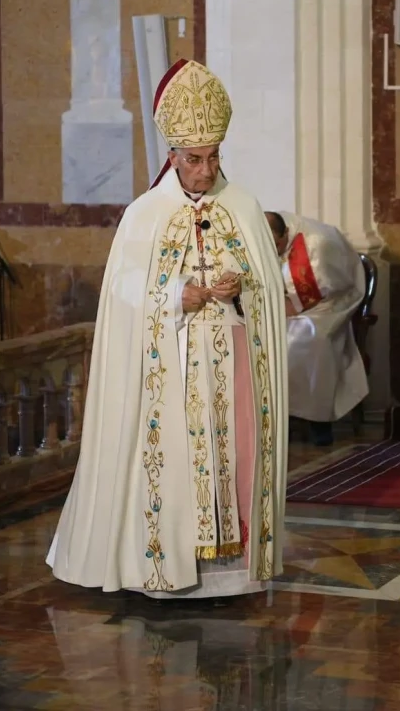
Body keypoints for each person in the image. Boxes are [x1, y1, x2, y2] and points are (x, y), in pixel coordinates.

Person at [47, 59, 288, 599]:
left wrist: (241, 287)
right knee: (173, 468)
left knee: (234, 461)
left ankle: (232, 572)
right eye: (194, 159)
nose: (205, 170)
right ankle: (167, 570)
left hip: (232, 361)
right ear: (173, 157)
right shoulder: (143, 216)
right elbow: (123, 296)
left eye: (213, 157)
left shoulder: (243, 208)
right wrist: (174, 296)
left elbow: (268, 290)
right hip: (171, 368)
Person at [265, 211, 368, 446]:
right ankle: (274, 420)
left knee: (310, 339)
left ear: (286, 234)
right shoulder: (267, 231)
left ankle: (319, 422)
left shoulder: (318, 243)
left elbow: (326, 286)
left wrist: (287, 306)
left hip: (330, 304)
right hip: (289, 303)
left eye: (277, 245)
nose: (274, 251)